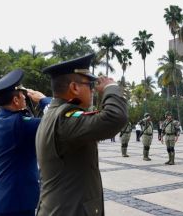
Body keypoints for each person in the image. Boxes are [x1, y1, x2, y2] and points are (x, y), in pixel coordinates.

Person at [35, 53, 127, 216]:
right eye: (90, 85)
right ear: (74, 87)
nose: (93, 90)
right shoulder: (66, 118)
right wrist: (110, 88)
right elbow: (114, 117)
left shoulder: (53, 113)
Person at [0, 69, 51, 216]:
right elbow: (55, 120)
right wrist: (44, 100)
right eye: (23, 97)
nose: (26, 100)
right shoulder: (21, 123)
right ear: (16, 100)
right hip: (19, 203)